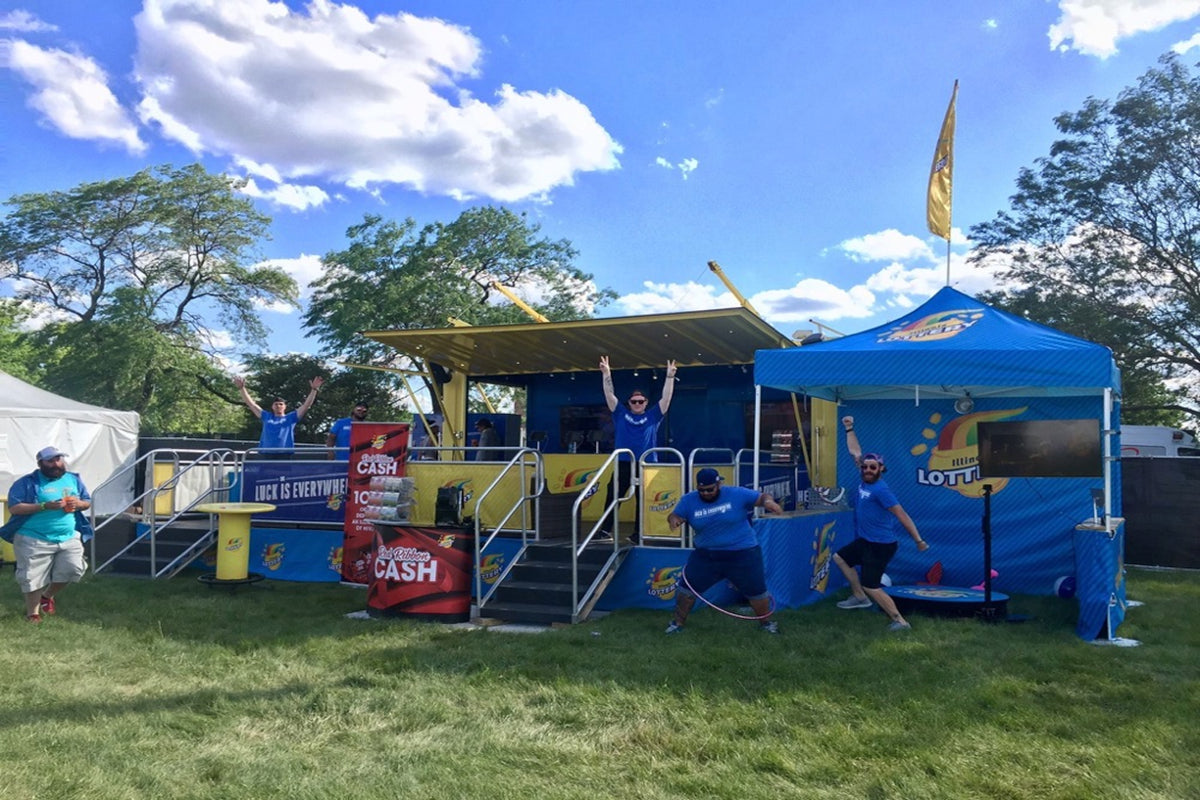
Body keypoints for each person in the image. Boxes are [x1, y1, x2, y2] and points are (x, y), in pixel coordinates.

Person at [832, 415, 929, 631]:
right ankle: (859, 597)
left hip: (880, 546)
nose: (867, 470)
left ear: (881, 469)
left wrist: (918, 540)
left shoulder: (881, 490)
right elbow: (855, 452)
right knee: (840, 558)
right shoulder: (865, 479)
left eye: (872, 468)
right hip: (866, 541)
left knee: (872, 585)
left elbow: (902, 514)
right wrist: (849, 428)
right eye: (865, 467)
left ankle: (900, 621)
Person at [664, 468, 782, 635]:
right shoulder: (689, 500)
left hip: (743, 552)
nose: (705, 493)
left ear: (719, 484)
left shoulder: (736, 494)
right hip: (707, 555)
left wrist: (768, 502)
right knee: (686, 588)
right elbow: (675, 515)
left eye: (710, 489)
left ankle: (766, 624)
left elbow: (762, 497)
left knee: (756, 590)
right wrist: (674, 520)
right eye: (701, 490)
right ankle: (677, 623)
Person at [0, 447, 94, 623]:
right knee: (32, 576)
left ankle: (47, 596)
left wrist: (78, 504)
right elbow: (15, 508)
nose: (56, 464)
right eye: (50, 461)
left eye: (58, 459)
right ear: (40, 463)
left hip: (68, 536)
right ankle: (32, 614)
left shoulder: (73, 479)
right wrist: (43, 506)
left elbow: (87, 502)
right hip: (33, 536)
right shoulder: (27, 483)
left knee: (73, 569)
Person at [599, 355, 677, 543]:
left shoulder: (653, 416)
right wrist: (606, 374)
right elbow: (610, 395)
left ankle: (637, 534)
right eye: (634, 401)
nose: (637, 404)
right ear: (629, 403)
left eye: (640, 401)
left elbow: (666, 399)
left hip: (646, 464)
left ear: (645, 402)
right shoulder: (620, 414)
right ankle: (604, 531)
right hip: (623, 462)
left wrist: (669, 377)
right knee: (613, 495)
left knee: (642, 500)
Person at [234, 375, 323, 456]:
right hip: (266, 454)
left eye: (281, 404)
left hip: (284, 454)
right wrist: (242, 389)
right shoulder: (266, 416)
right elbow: (251, 404)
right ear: (272, 406)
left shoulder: (291, 418)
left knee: (282, 474)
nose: (278, 406)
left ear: (285, 407)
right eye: (276, 404)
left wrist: (314, 390)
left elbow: (306, 405)